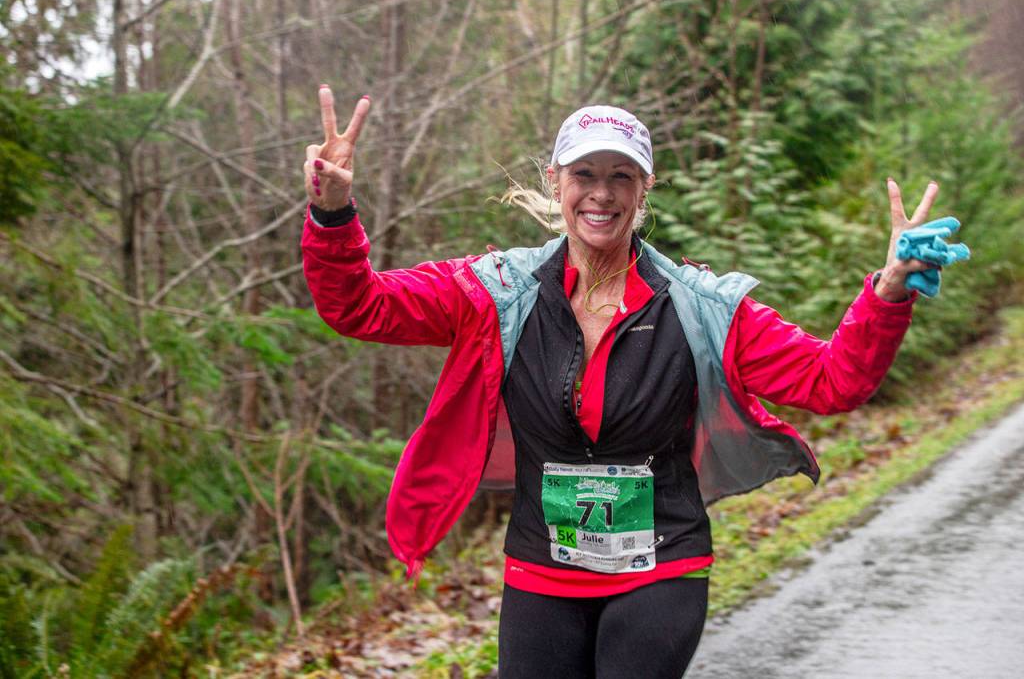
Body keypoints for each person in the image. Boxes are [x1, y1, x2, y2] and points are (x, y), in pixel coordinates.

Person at [301, 85, 946, 678]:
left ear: (646, 188)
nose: (601, 194)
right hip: (541, 567)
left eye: (621, 177)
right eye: (584, 175)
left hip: (661, 564)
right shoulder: (493, 292)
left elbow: (833, 381)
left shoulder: (702, 307)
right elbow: (361, 307)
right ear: (556, 183)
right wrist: (333, 216)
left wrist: (887, 293)